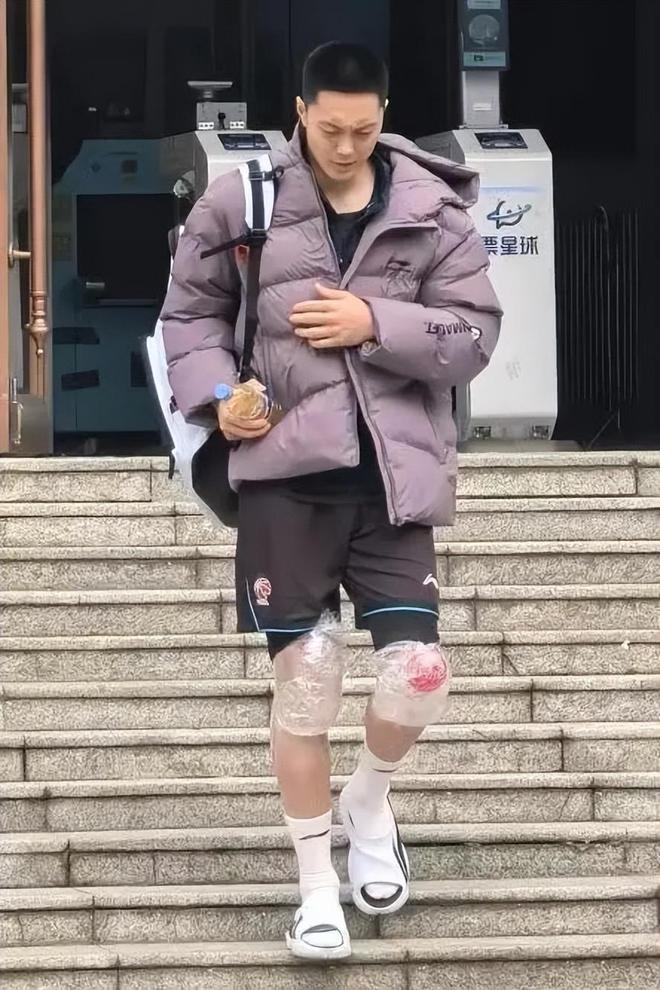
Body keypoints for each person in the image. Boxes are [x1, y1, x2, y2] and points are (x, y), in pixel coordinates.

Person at [161, 41, 502, 961]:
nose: (347, 146)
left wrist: (374, 323)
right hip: (284, 479)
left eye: (364, 129)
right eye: (330, 129)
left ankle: (368, 799)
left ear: (383, 116)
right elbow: (188, 316)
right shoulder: (241, 200)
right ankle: (317, 886)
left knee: (419, 672)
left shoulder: (434, 208)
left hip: (395, 480)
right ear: (302, 114)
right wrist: (217, 396)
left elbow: (473, 336)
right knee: (307, 680)